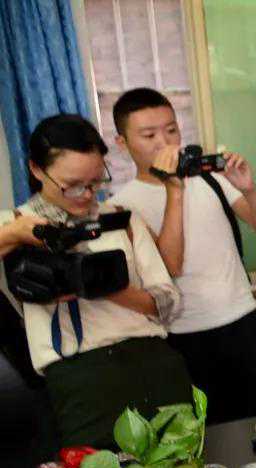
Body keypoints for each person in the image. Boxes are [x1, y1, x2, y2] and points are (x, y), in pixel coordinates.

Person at [0, 114, 191, 449]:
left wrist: (104, 286)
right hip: (81, 380)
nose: (86, 194)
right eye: (73, 184)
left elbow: (169, 302)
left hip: (155, 362)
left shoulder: (121, 219)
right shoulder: (14, 224)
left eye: (96, 181)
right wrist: (16, 233)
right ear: (36, 169)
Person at [110, 88, 256, 424]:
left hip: (244, 321)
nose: (164, 142)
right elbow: (167, 267)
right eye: (149, 135)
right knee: (210, 435)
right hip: (183, 335)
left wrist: (248, 188)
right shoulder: (124, 206)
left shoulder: (211, 179)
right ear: (122, 143)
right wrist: (174, 191)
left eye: (171, 130)